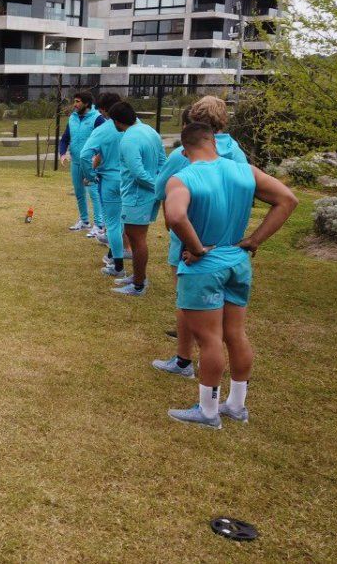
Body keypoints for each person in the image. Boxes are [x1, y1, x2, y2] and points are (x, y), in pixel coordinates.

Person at [164, 122, 297, 429]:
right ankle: (236, 406)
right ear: (214, 142)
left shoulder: (182, 178)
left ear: (184, 151)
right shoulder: (245, 171)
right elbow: (288, 200)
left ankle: (208, 411)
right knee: (236, 334)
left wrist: (196, 248)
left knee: (209, 339)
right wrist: (254, 240)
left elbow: (175, 215)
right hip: (238, 263)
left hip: (205, 269)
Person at [151, 96, 249, 378]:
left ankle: (184, 360)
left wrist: (195, 246)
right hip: (231, 247)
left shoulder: (184, 153)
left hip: (191, 246)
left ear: (193, 118)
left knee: (188, 302)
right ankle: (235, 386)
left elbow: (161, 190)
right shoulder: (237, 154)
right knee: (232, 326)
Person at [110, 101, 166, 296]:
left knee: (137, 238)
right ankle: (137, 276)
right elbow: (163, 161)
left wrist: (157, 187)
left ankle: (138, 285)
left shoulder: (128, 139)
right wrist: (159, 184)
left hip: (137, 197)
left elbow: (138, 173)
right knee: (134, 236)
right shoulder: (150, 131)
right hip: (145, 195)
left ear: (117, 121)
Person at [81, 92, 130, 279]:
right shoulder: (136, 126)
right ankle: (112, 254)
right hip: (130, 180)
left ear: (104, 110)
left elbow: (85, 155)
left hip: (110, 180)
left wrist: (90, 175)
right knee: (123, 220)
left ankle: (118, 266)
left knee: (113, 224)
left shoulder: (103, 129)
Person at [59, 91, 104, 238]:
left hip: (91, 163)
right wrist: (62, 153)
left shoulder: (98, 119)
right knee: (79, 192)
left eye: (78, 101)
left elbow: (104, 141)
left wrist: (98, 159)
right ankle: (84, 221)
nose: (75, 104)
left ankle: (99, 225)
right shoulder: (72, 118)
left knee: (94, 193)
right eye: (74, 101)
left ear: (87, 103)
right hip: (76, 162)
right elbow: (65, 138)